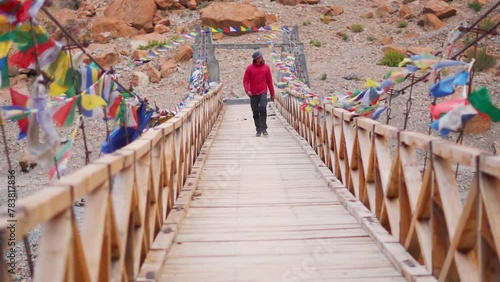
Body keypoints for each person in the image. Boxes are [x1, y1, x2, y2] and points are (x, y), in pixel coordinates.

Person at [243, 51, 275, 137]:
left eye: (262, 56)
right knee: (255, 111)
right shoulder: (249, 68)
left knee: (262, 109)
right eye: (260, 57)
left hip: (263, 92)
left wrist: (272, 94)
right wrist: (247, 90)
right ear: (256, 59)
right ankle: (258, 129)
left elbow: (269, 81)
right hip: (253, 93)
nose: (262, 58)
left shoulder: (266, 68)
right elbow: (245, 81)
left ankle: (264, 129)